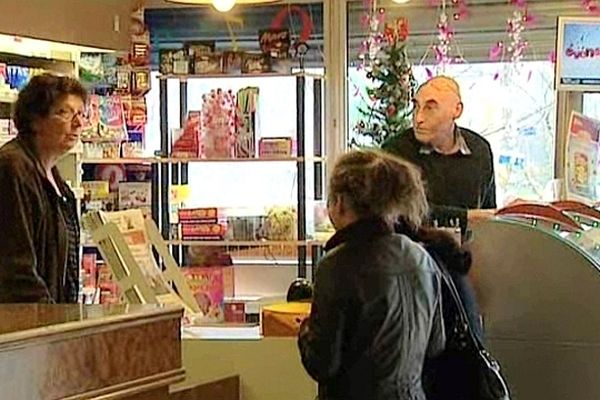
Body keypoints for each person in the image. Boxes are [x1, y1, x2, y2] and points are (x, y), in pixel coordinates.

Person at [298, 149, 445, 400]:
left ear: (341, 202)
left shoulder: (336, 266)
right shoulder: (420, 257)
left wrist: (305, 332)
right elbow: (436, 343)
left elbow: (323, 364)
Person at [0, 73, 87, 303]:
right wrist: (52, 324)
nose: (78, 123)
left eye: (80, 114)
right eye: (64, 113)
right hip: (22, 327)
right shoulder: (12, 168)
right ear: (35, 120)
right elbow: (16, 270)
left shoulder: (56, 180)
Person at [382, 76, 496, 232]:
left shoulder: (480, 150)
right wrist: (466, 217)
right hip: (413, 252)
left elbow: (488, 215)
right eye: (416, 107)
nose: (418, 118)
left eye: (430, 108)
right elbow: (400, 214)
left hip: (469, 252)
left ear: (457, 110)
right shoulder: (396, 151)